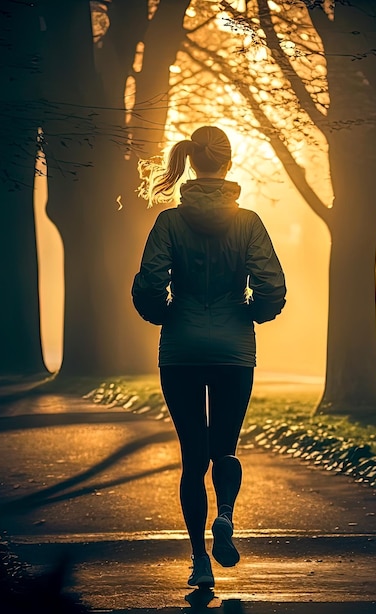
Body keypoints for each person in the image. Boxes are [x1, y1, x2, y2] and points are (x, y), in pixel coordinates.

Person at [131, 126, 286, 589]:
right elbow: (272, 286)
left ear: (192, 163)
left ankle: (200, 561)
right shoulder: (248, 222)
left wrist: (165, 315)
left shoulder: (169, 223)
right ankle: (225, 515)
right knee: (225, 447)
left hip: (180, 349)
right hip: (234, 351)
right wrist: (251, 313)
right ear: (229, 162)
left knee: (192, 457)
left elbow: (149, 283)